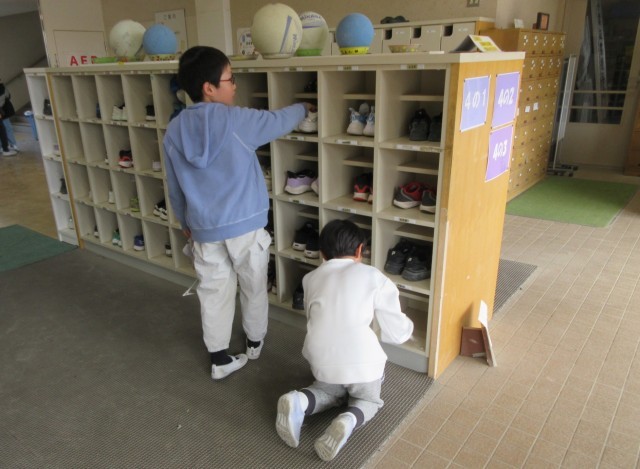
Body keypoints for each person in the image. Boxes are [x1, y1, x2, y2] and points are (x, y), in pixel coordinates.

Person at [162, 46, 312, 380]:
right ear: (209, 88)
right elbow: (278, 121)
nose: (235, 86)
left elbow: (174, 186)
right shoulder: (237, 120)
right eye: (230, 79)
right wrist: (303, 107)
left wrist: (185, 222)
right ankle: (254, 343)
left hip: (204, 230)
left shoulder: (174, 130)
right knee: (253, 286)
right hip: (246, 228)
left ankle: (219, 359)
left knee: (213, 292)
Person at [275, 219, 414, 461]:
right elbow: (395, 331)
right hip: (361, 360)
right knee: (368, 399)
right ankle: (348, 420)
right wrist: (407, 329)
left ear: (322, 253)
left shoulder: (310, 279)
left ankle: (299, 401)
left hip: (321, 357)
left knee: (329, 391)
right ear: (360, 250)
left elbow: (313, 318)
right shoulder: (373, 276)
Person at [0, 79, 18, 153]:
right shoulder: (2, 87)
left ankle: (12, 144)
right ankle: (11, 145)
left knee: (7, 128)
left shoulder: (1, 88)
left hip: (3, 111)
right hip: (3, 111)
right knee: (6, 128)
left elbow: (3, 99)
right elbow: (8, 96)